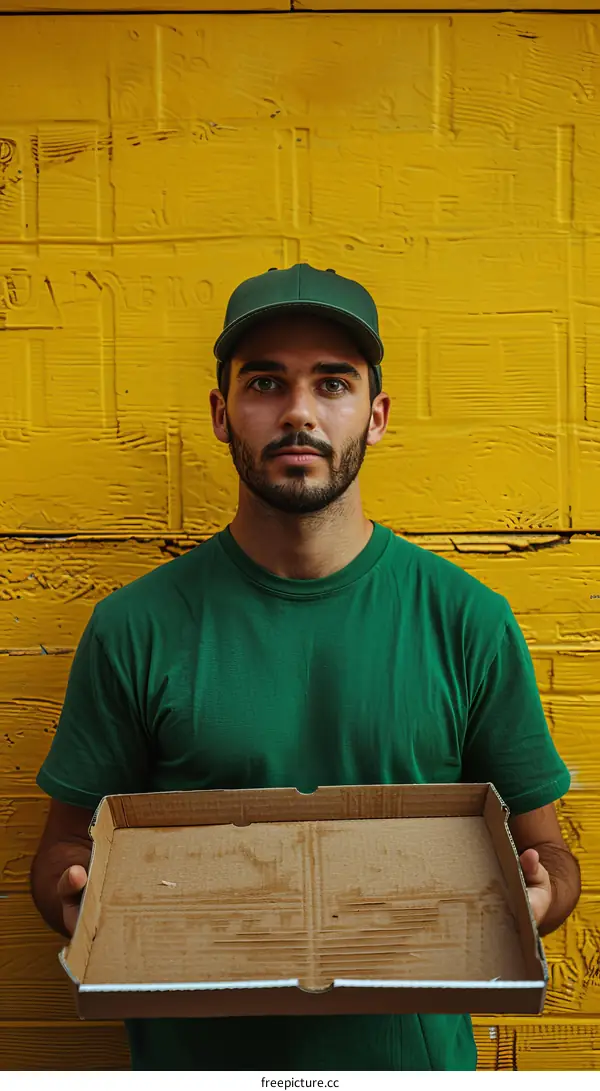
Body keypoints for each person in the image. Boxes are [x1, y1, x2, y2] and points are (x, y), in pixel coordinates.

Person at [31, 263, 580, 1071]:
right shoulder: (133, 627)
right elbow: (59, 851)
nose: (298, 412)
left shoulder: (468, 621)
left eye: (332, 384)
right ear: (222, 413)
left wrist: (540, 894)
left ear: (376, 415)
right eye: (265, 383)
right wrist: (73, 896)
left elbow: (551, 854)